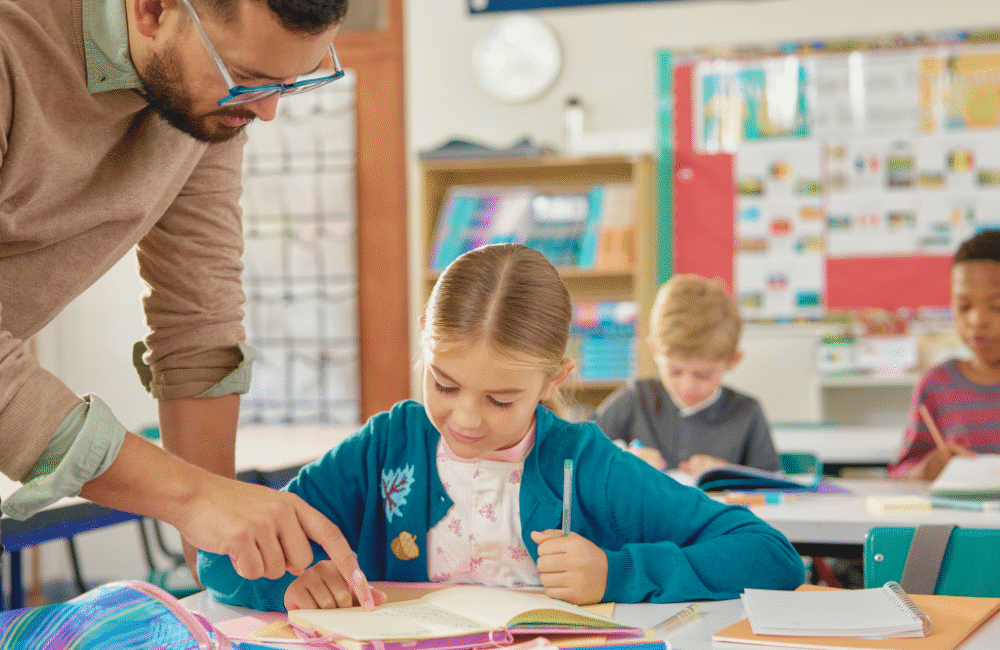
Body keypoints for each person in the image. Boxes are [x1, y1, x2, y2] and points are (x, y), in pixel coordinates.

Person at [0, 0, 375, 606]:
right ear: (152, 10)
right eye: (247, 79)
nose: (267, 110)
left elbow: (198, 318)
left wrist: (230, 566)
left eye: (289, 84)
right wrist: (194, 498)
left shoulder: (205, 104)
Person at [197, 244, 804, 612]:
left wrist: (617, 574)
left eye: (501, 399)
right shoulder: (385, 450)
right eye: (444, 384)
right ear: (424, 352)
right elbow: (220, 558)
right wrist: (295, 586)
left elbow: (769, 557)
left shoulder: (581, 462)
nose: (465, 419)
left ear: (552, 381)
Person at [594, 274, 780, 475]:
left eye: (703, 375)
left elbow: (774, 484)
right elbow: (574, 457)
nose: (687, 386)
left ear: (732, 361)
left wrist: (729, 473)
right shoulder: (633, 400)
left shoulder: (746, 412)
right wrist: (621, 458)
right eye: (674, 371)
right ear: (654, 351)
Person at [891, 230, 1000, 480]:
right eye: (964, 306)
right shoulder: (936, 386)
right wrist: (929, 468)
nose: (977, 320)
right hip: (960, 519)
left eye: (997, 307)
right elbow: (900, 474)